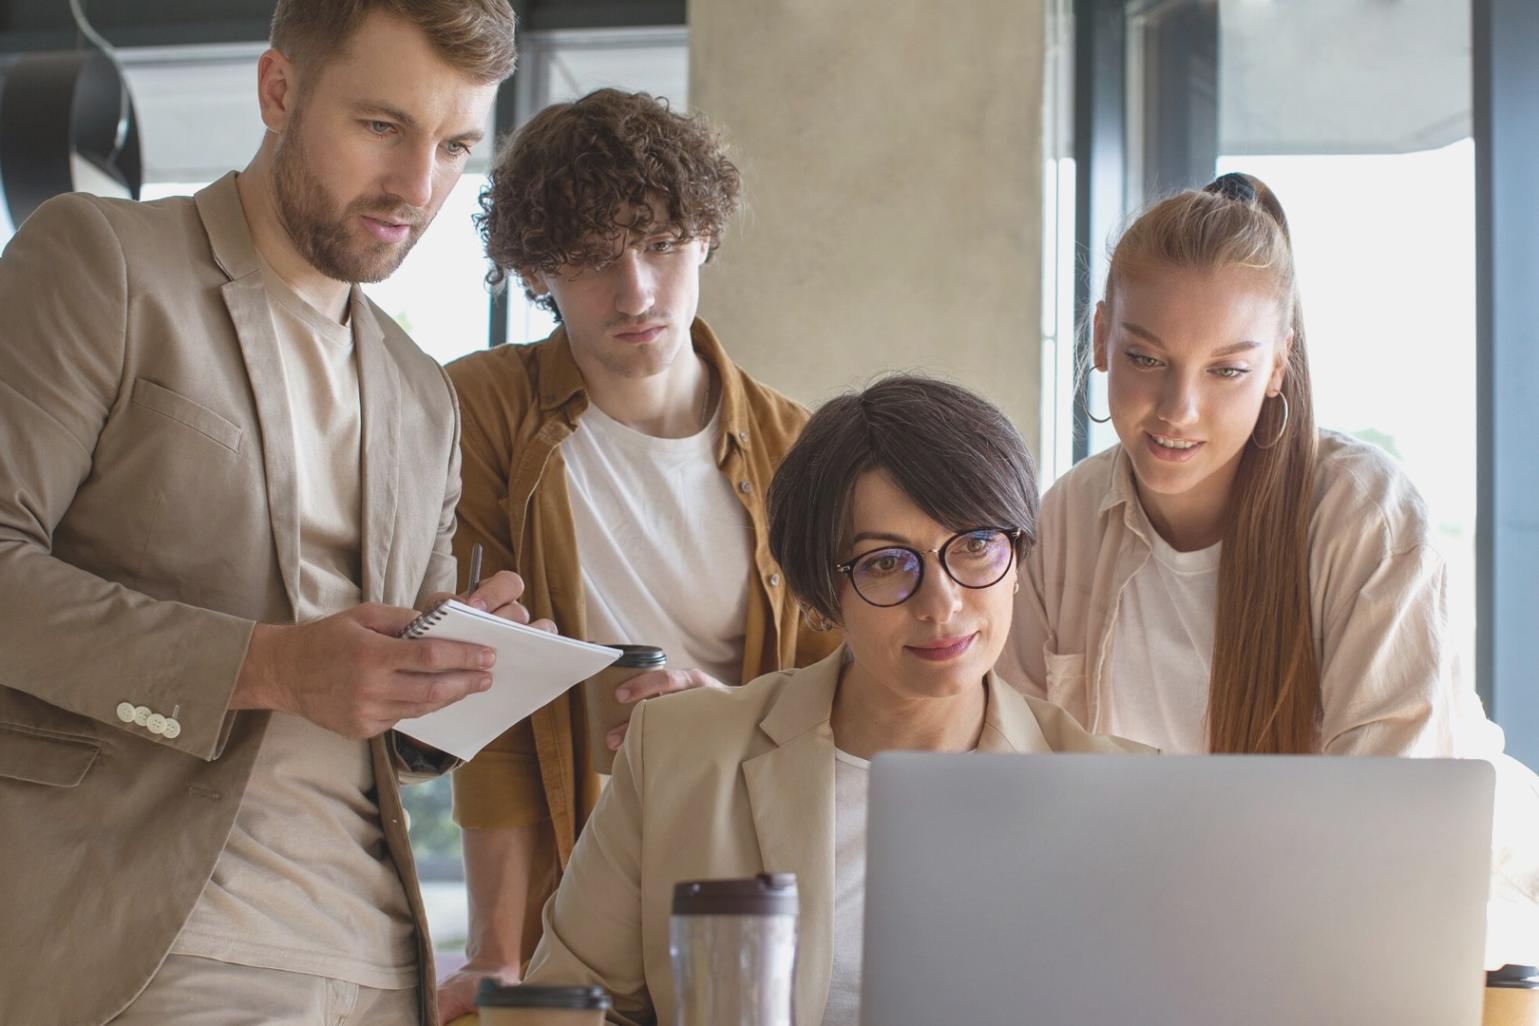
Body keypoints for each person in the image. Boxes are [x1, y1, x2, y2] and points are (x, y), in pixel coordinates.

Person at [0, 3, 525, 1024]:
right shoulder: (101, 262)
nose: (419, 189)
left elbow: (393, 732)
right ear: (278, 91)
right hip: (151, 950)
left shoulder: (424, 395)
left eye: (455, 145)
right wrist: (275, 666)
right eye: (383, 126)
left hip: (379, 960)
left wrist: (464, 671)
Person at [999, 171, 1539, 961]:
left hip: (1441, 934)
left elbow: (1383, 824)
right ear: (1098, 340)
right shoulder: (1065, 521)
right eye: (1145, 358)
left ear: (1278, 365)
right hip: (1173, 941)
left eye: (1226, 370)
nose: (1178, 408)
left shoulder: (1362, 513)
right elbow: (1011, 787)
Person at [518, 375, 1146, 1026]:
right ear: (824, 592)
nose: (941, 605)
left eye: (976, 545)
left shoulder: (1116, 796)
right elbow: (566, 1002)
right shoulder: (678, 753)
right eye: (884, 563)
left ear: (1017, 558)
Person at [436, 89, 840, 1018]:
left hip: (747, 887)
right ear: (535, 270)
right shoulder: (481, 410)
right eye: (590, 259)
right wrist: (496, 948)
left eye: (660, 244)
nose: (636, 293)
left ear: (704, 236)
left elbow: (848, 701)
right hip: (565, 897)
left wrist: (727, 717)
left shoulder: (798, 448)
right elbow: (482, 690)